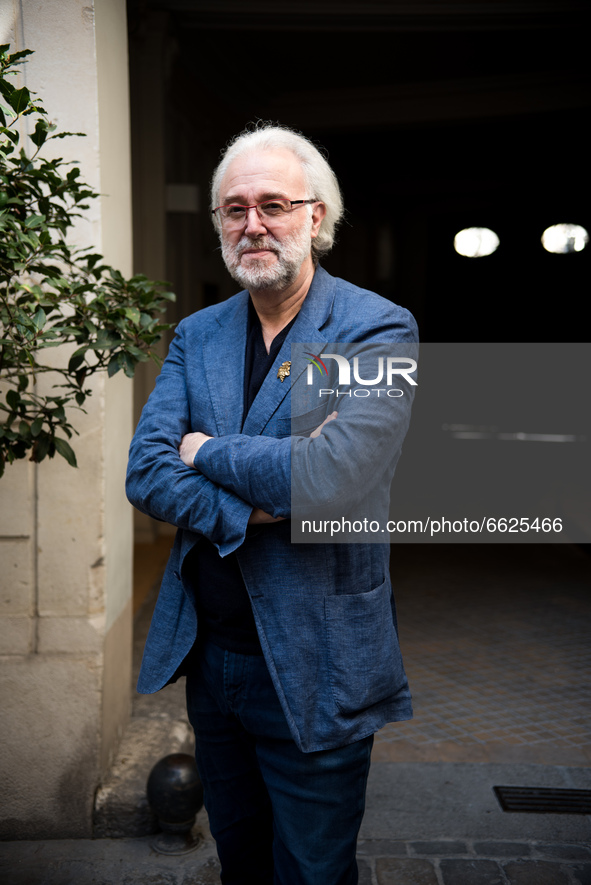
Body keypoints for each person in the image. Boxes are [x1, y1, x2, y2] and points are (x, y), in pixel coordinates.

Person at [126, 123, 418, 885]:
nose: (252, 223)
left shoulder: (376, 328)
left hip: (320, 661)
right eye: (234, 208)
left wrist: (205, 450)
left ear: (315, 217)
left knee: (314, 871)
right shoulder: (197, 333)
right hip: (214, 662)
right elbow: (145, 472)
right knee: (242, 863)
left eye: (273, 204)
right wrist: (252, 506)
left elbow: (333, 477)